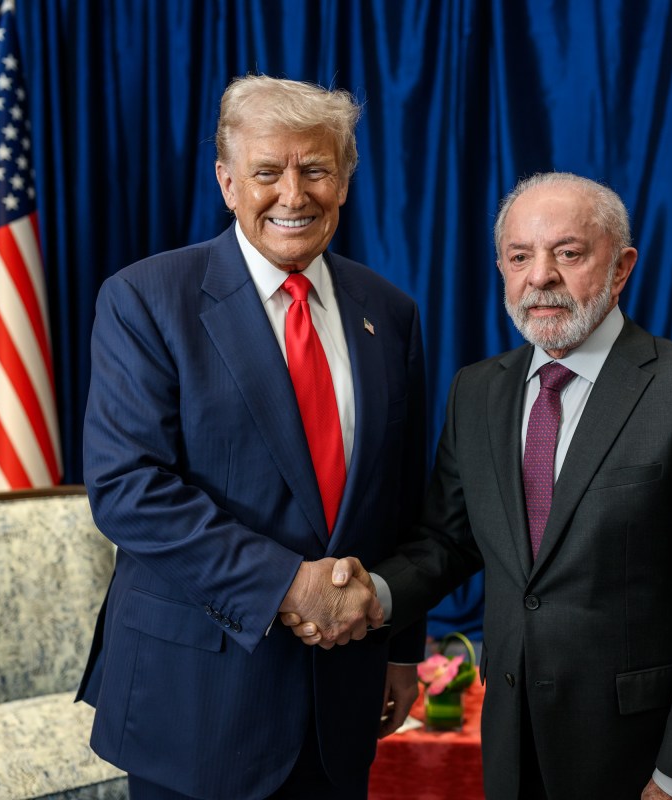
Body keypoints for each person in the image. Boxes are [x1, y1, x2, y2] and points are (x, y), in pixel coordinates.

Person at [289, 172, 672, 799]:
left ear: (621, 267)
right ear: (502, 268)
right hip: (514, 750)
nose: (540, 276)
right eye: (520, 256)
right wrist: (372, 594)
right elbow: (447, 539)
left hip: (646, 760)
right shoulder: (478, 391)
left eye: (569, 254)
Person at [76, 75, 427, 800]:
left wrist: (400, 649)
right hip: (200, 699)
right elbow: (128, 490)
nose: (293, 195)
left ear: (345, 180)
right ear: (227, 181)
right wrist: (286, 584)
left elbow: (403, 497)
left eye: (316, 170)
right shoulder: (146, 299)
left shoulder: (388, 313)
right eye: (268, 171)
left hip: (344, 698)